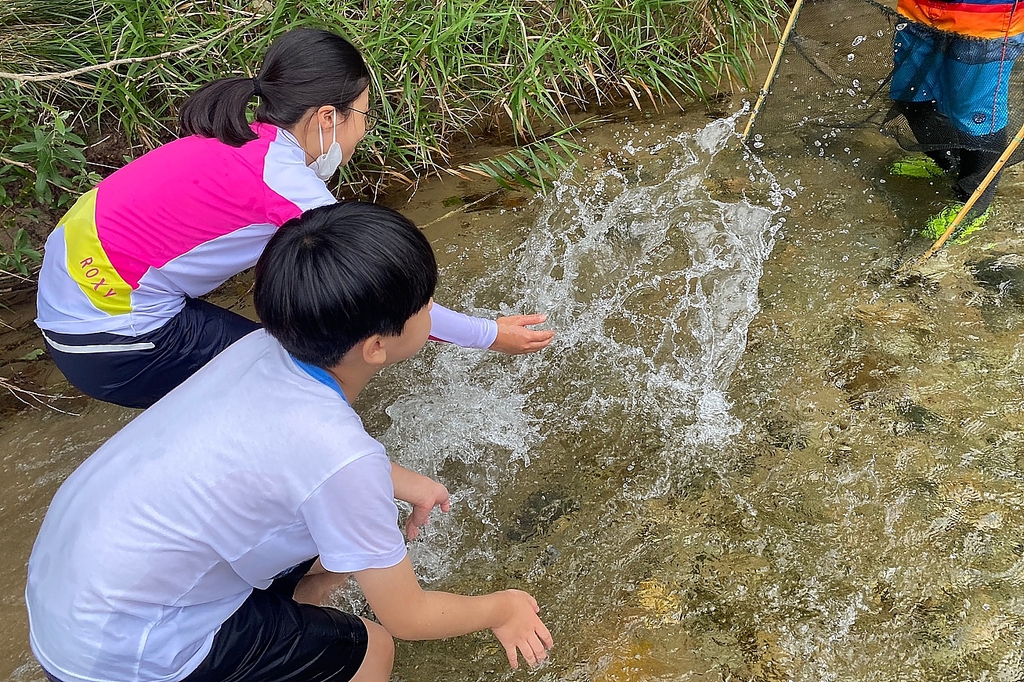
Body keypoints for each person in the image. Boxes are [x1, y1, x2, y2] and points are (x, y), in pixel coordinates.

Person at [25, 201, 553, 682]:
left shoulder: (256, 349)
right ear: (375, 347)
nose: (432, 307)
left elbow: (291, 456)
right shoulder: (340, 455)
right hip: (122, 652)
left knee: (336, 562)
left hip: (70, 594)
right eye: (424, 304)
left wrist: (393, 479)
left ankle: (288, 609)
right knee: (371, 647)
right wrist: (501, 608)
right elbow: (409, 615)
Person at [34, 27, 554, 409]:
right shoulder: (287, 190)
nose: (362, 133)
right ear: (329, 116)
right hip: (111, 338)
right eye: (365, 116)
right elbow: (382, 296)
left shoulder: (234, 136)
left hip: (71, 296)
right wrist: (489, 335)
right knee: (299, 391)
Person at [887, 0, 1024, 240]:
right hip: (920, 9)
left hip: (985, 20)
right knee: (912, 96)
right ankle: (946, 164)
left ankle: (973, 206)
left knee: (977, 117)